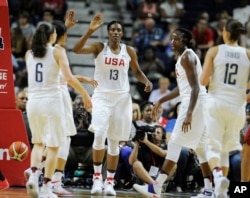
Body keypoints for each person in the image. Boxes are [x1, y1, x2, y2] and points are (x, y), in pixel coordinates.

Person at [73, 13, 153, 196]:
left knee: (115, 143)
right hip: (101, 96)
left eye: (119, 29)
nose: (116, 32)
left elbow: (137, 71)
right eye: (112, 29)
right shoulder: (100, 47)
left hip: (122, 99)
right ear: (108, 33)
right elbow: (77, 50)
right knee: (100, 134)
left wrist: (146, 81)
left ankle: (109, 182)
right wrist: (89, 31)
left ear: (122, 33)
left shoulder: (129, 50)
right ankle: (96, 180)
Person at [133, 28, 212, 198]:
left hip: (194, 103)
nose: (172, 41)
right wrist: (161, 100)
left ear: (184, 40)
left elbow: (196, 87)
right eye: (171, 38)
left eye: (176, 38)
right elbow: (180, 87)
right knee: (201, 148)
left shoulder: (188, 56)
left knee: (175, 143)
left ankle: (156, 187)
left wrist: (189, 113)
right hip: (198, 103)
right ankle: (209, 190)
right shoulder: (181, 58)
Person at [25, 21, 92, 198]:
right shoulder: (58, 51)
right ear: (52, 36)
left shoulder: (28, 54)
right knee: (54, 146)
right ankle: (47, 187)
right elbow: (68, 78)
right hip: (51, 101)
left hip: (33, 102)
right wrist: (85, 93)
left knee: (38, 143)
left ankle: (33, 175)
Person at [200, 19, 250, 197]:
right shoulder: (247, 53)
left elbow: (203, 81)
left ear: (225, 33)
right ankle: (220, 192)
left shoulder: (215, 51)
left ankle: (219, 177)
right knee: (225, 150)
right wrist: (245, 95)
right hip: (237, 107)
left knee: (211, 147)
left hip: (217, 102)